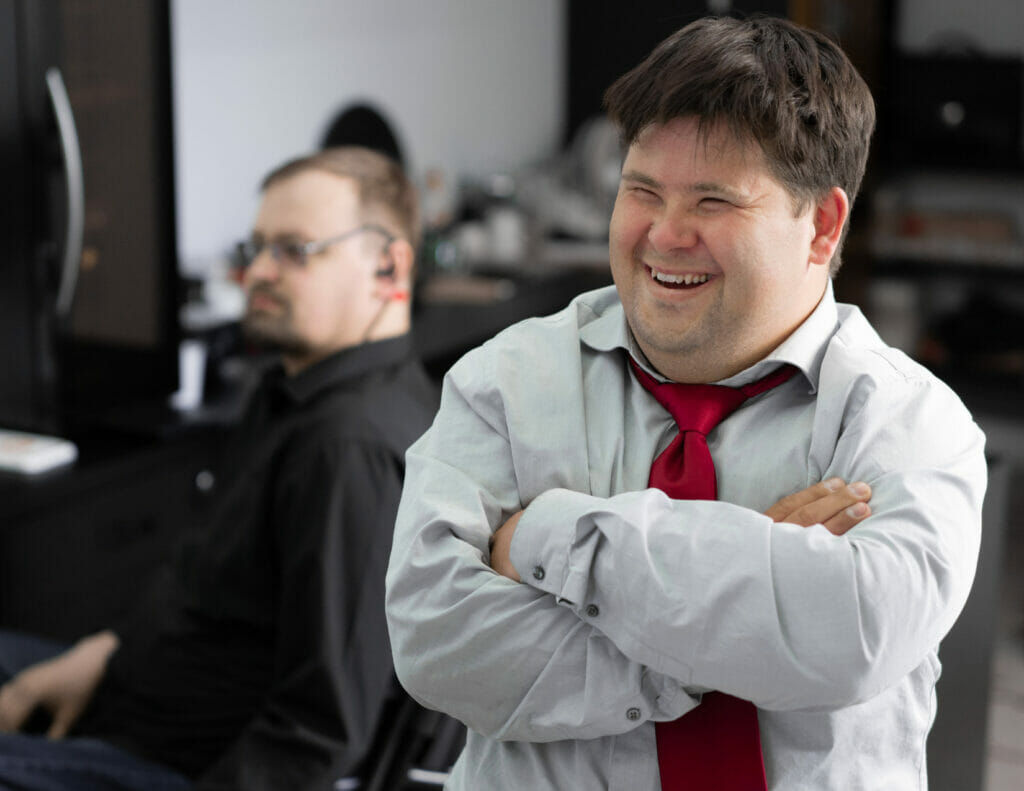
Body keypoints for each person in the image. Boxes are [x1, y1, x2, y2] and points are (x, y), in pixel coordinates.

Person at [385, 15, 987, 791]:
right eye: (641, 191)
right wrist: (739, 609)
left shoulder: (911, 424)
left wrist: (551, 533)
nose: (664, 235)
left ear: (822, 225)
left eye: (713, 201)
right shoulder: (502, 382)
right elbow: (437, 644)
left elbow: (853, 632)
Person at [0, 146, 438, 790]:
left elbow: (317, 735)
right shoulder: (291, 395)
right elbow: (207, 593)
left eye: (294, 249)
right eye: (254, 248)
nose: (257, 271)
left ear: (387, 267)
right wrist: (104, 654)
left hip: (175, 765)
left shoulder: (347, 448)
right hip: (127, 692)